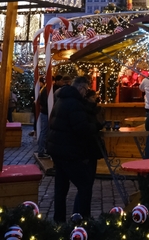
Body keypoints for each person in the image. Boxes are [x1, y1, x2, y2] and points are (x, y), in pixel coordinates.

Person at [47, 76, 101, 223]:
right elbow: (81, 129)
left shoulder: (61, 99)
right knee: (85, 185)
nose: (86, 93)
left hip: (57, 149)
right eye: (86, 89)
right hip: (68, 150)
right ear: (81, 88)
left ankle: (59, 221)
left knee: (61, 188)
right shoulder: (74, 103)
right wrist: (96, 127)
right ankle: (82, 219)